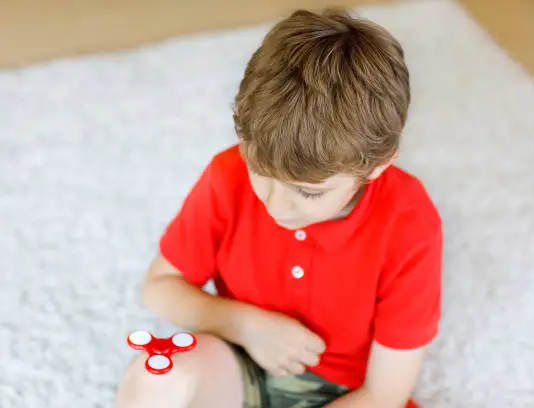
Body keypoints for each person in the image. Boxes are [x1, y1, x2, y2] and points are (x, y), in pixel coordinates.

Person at [114, 7, 442, 408]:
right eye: (259, 170)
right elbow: (159, 288)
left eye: (308, 192)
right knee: (154, 377)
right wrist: (245, 325)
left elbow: (385, 392)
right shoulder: (227, 174)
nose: (274, 205)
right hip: (238, 358)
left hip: (349, 393)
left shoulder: (409, 222)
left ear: (377, 166)